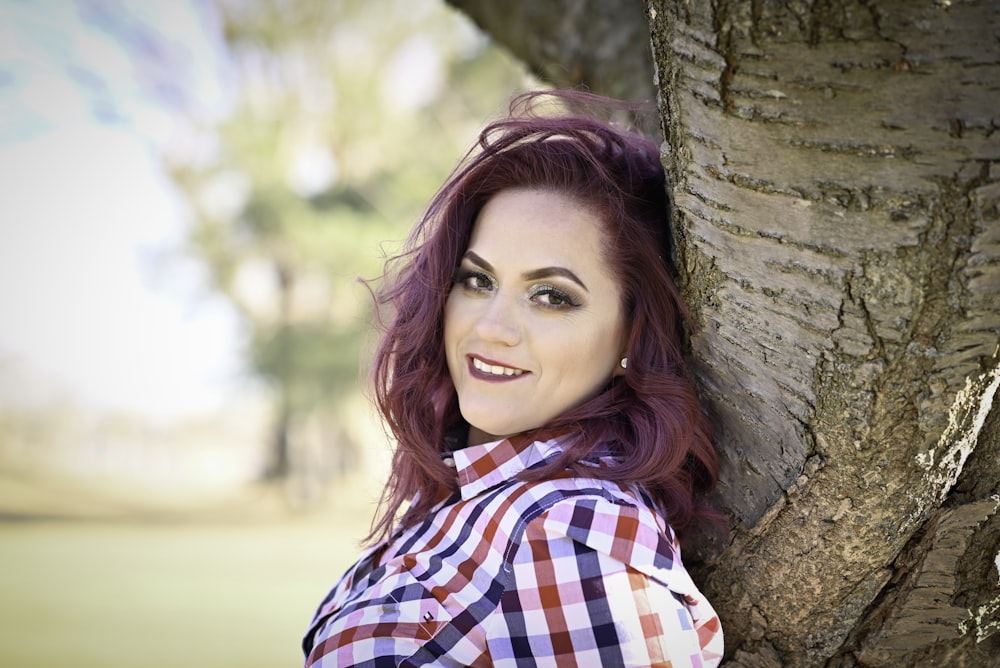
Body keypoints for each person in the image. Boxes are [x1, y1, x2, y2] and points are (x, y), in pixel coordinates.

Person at [302, 90, 724, 667]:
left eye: (551, 296)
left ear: (633, 335)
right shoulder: (478, 494)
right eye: (477, 281)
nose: (492, 327)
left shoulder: (572, 533)